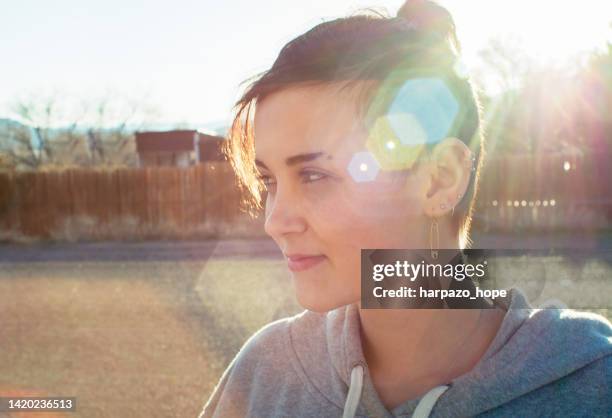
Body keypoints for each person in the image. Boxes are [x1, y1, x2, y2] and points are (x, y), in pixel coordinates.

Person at [199, 1, 612, 417]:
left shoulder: (593, 384)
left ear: (439, 180)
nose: (275, 221)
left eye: (313, 175)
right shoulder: (264, 375)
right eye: (269, 180)